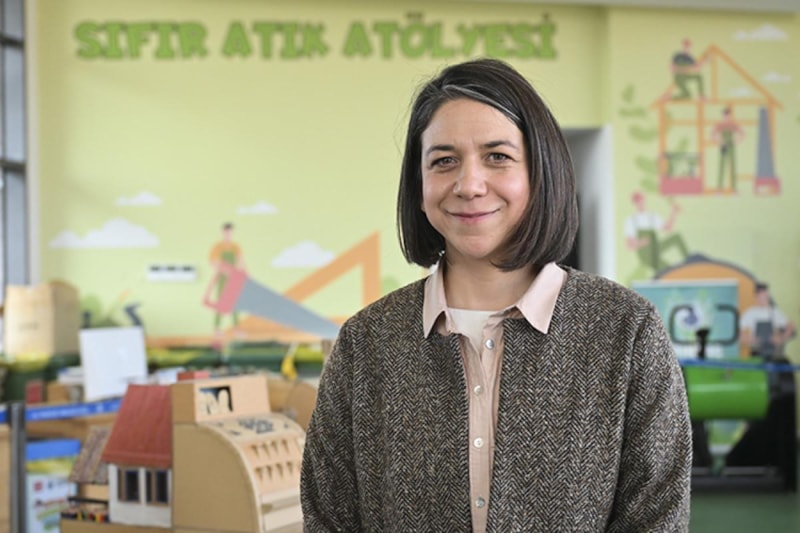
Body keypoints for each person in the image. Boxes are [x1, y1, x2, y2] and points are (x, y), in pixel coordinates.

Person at [301, 58, 691, 531]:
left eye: (497, 156)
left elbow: (656, 518)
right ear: (419, 186)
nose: (469, 185)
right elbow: (329, 517)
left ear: (540, 173)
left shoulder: (626, 331)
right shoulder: (367, 342)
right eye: (443, 161)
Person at [624, 190, 689, 282]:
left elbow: (667, 228)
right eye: (638, 201)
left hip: (655, 248)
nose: (640, 203)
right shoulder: (631, 220)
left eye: (641, 200)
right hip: (646, 255)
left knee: (676, 238)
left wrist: (673, 212)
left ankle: (689, 261)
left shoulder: (652, 217)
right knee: (670, 271)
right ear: (634, 203)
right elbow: (629, 245)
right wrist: (641, 242)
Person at [203, 222, 245, 337]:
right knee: (221, 303)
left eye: (230, 232)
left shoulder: (236, 247)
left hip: (234, 278)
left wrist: (241, 274)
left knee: (235, 303)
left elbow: (241, 261)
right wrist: (222, 269)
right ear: (222, 232)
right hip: (222, 278)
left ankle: (236, 329)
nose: (228, 234)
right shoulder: (218, 247)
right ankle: (217, 329)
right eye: (226, 232)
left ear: (233, 233)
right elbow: (212, 261)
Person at [740, 282, 796, 358]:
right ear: (755, 296)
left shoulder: (775, 312)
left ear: (768, 295)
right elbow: (739, 333)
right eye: (760, 295)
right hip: (756, 353)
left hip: (774, 354)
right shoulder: (750, 313)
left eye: (765, 295)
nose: (763, 297)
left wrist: (781, 338)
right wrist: (748, 339)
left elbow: (791, 328)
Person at [711, 106, 745, 192]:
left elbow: (742, 133)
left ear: (730, 116)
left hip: (731, 145)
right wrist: (719, 141)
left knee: (733, 166)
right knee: (721, 166)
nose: (726, 117)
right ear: (722, 116)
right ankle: (719, 189)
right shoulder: (719, 125)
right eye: (725, 116)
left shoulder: (733, 124)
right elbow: (712, 134)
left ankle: (734, 189)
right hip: (723, 146)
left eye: (728, 116)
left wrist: (736, 140)